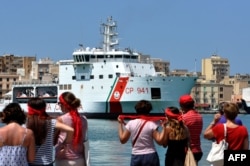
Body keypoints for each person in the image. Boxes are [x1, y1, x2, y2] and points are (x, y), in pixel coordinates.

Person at [26, 97, 74, 166]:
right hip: (47, 162)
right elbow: (70, 130)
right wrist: (65, 145)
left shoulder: (26, 123)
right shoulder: (51, 122)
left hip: (30, 163)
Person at [117, 100, 166, 166]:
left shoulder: (131, 123)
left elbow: (122, 140)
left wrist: (120, 124)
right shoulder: (152, 123)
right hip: (150, 155)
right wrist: (164, 127)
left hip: (136, 155)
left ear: (136, 110)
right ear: (149, 110)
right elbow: (160, 141)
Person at [54, 91, 88, 166]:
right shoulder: (84, 119)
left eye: (60, 103)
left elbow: (54, 140)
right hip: (80, 160)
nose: (59, 106)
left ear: (64, 105)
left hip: (64, 160)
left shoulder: (61, 119)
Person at [179, 94, 203, 164]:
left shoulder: (184, 118)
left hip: (187, 151)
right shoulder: (199, 116)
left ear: (182, 105)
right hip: (197, 150)